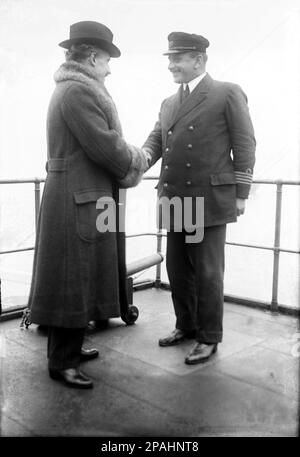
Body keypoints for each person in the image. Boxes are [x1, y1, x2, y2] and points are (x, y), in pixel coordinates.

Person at [27, 21, 148, 388]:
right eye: (108, 60)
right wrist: (138, 158)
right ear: (93, 57)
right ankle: (61, 362)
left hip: (81, 196)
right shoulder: (78, 93)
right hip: (76, 199)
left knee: (79, 277)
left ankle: (72, 349)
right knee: (71, 279)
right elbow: (105, 147)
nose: (110, 68)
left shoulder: (73, 89)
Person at [143, 32, 256, 364]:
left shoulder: (226, 93)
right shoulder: (168, 102)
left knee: (207, 272)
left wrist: (241, 193)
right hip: (176, 197)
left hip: (208, 199)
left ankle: (208, 337)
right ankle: (187, 326)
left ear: (199, 60)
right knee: (178, 268)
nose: (171, 66)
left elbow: (245, 144)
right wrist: (129, 164)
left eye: (176, 59)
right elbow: (154, 142)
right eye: (169, 60)